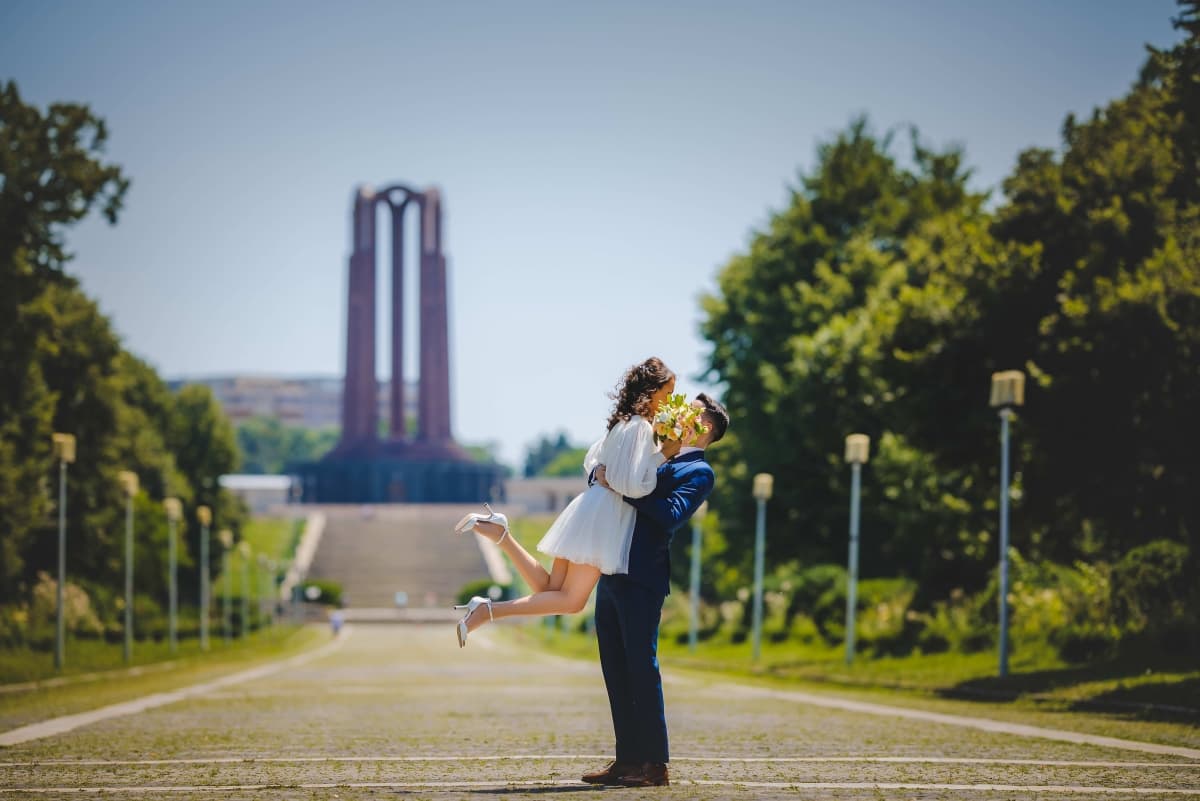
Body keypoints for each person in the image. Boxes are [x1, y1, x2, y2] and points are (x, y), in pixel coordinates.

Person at [472, 392, 729, 789]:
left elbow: (670, 516)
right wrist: (606, 477)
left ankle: (655, 764)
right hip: (611, 567)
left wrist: (623, 488)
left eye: (689, 413)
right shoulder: (659, 451)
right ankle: (626, 760)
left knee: (643, 668)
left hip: (642, 575)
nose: (675, 413)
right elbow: (604, 474)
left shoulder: (698, 471)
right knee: (615, 668)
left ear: (705, 427)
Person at [452, 357, 678, 647]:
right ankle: (487, 610)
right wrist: (664, 455)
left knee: (549, 589)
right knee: (571, 601)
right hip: (605, 517)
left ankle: (502, 534)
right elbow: (632, 486)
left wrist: (603, 475)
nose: (669, 401)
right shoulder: (641, 428)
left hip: (590, 509)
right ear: (652, 390)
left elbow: (594, 462)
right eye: (668, 393)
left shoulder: (623, 423)